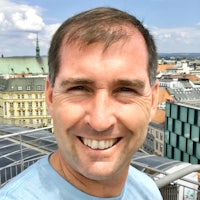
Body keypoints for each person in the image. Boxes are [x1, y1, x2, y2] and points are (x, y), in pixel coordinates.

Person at [0, 7, 163, 199]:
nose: (100, 121)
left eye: (126, 90)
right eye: (78, 88)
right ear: (50, 97)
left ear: (152, 101)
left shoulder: (148, 190)